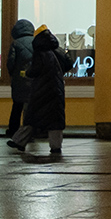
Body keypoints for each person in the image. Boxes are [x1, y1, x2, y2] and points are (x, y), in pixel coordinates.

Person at [9, 27, 69, 161]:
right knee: (55, 118)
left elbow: (35, 70)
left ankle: (19, 141)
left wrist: (27, 73)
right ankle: (55, 146)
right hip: (56, 89)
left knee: (32, 115)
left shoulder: (40, 52)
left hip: (41, 89)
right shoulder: (56, 50)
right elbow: (69, 63)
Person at [4, 17, 36, 138]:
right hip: (33, 79)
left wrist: (13, 74)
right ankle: (30, 131)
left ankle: (13, 130)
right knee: (31, 107)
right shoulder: (35, 42)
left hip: (19, 79)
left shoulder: (16, 43)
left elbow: (11, 63)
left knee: (17, 106)